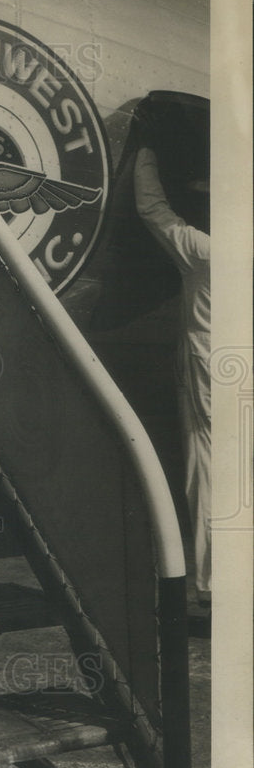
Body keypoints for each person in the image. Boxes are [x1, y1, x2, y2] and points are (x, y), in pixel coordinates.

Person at [133, 105, 211, 606]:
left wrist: (144, 151)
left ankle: (209, 584)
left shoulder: (203, 251)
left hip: (209, 373)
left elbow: (153, 210)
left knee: (203, 469)